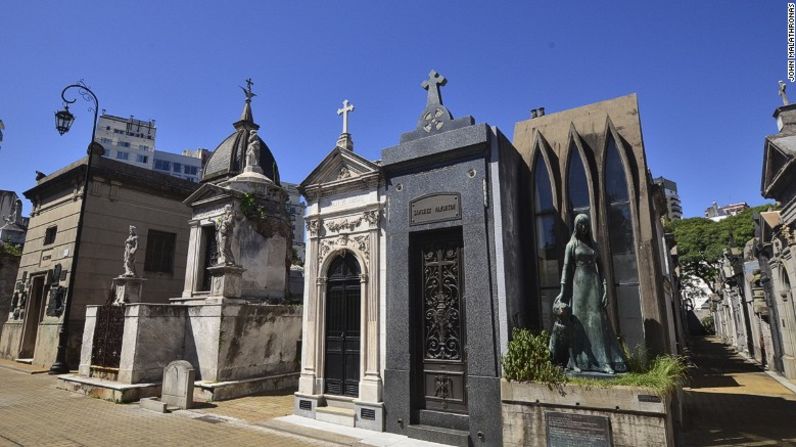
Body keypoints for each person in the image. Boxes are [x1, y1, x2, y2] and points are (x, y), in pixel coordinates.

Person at [555, 213, 627, 374]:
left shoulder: (594, 245)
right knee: (578, 321)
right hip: (578, 285)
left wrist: (605, 287)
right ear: (576, 226)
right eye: (580, 224)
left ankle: (605, 362)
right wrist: (562, 292)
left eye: (585, 224)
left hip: (593, 283)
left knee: (597, 321)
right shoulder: (571, 245)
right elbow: (566, 269)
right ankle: (579, 361)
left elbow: (601, 268)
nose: (583, 227)